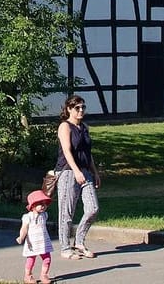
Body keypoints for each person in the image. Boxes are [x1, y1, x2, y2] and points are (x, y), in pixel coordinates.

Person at [55, 94, 100, 259]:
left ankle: (79, 241)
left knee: (93, 208)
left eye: (83, 107)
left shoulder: (84, 127)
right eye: (77, 108)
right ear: (69, 109)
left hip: (85, 170)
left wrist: (94, 172)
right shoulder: (65, 127)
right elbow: (67, 151)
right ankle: (65, 248)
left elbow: (88, 153)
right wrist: (76, 171)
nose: (81, 111)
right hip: (68, 171)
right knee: (67, 212)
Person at [16, 189, 54, 284]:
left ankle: (44, 275)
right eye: (40, 204)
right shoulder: (28, 217)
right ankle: (28, 276)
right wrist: (21, 237)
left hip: (44, 242)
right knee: (31, 260)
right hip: (32, 243)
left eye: (44, 204)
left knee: (47, 259)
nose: (43, 206)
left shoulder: (44, 215)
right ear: (32, 206)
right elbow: (24, 228)